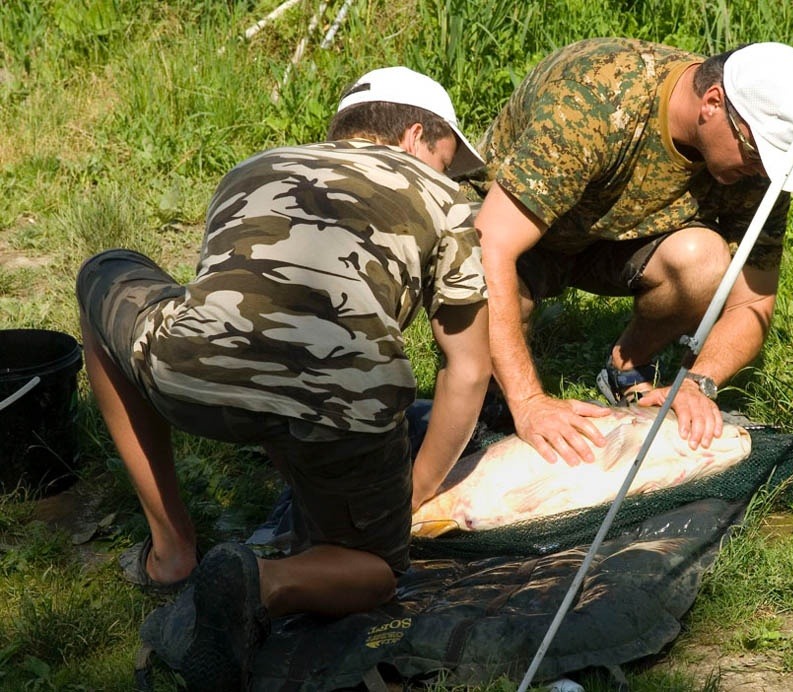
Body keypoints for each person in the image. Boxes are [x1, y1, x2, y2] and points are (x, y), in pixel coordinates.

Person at [76, 66, 490, 689]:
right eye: (446, 157)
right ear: (414, 135)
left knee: (102, 272)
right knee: (374, 568)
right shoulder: (448, 198)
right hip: (347, 407)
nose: (447, 173)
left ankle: (171, 551)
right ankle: (263, 582)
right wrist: (412, 494)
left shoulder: (255, 167)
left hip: (193, 372)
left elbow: (248, 305)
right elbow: (468, 367)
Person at [471, 38, 793, 465]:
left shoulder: (760, 171)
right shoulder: (597, 98)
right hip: (521, 228)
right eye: (756, 153)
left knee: (704, 260)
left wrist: (697, 383)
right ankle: (488, 401)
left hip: (614, 239)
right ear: (712, 103)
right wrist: (528, 402)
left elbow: (754, 299)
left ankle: (625, 368)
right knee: (488, 292)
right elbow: (490, 246)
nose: (763, 170)